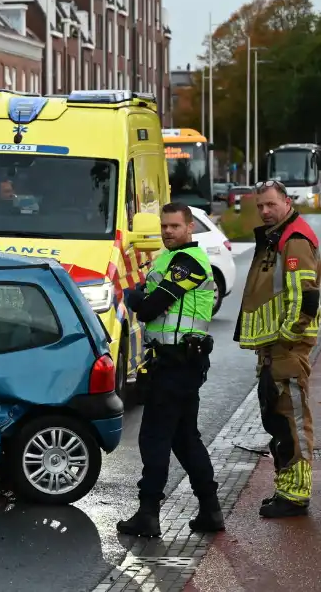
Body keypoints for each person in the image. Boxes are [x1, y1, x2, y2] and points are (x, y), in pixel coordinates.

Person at [116, 202, 223, 537]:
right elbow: (149, 297)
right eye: (164, 226)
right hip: (173, 361)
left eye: (175, 226)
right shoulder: (166, 259)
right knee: (184, 437)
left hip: (179, 363)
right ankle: (210, 509)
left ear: (190, 227)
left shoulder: (189, 262)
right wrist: (139, 295)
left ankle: (149, 513)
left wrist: (135, 299)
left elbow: (148, 307)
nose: (167, 231)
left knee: (155, 437)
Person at [236, 180, 318, 518]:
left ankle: (296, 495)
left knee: (292, 422)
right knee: (278, 422)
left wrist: (286, 337)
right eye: (261, 206)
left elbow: (306, 297)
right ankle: (286, 489)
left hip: (287, 349)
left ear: (286, 202)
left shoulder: (293, 239)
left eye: (271, 204)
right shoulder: (276, 238)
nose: (266, 211)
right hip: (275, 350)